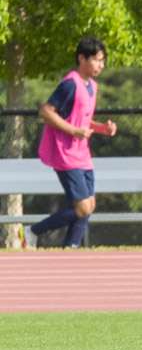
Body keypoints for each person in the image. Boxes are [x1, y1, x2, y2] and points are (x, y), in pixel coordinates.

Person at [22, 37, 117, 250]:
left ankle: (69, 252)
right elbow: (46, 112)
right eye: (97, 60)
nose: (101, 65)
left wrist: (102, 128)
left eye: (103, 61)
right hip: (66, 154)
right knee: (83, 207)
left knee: (89, 206)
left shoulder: (92, 85)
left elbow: (81, 117)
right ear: (82, 58)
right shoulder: (70, 84)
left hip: (83, 154)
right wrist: (74, 131)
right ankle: (32, 231)